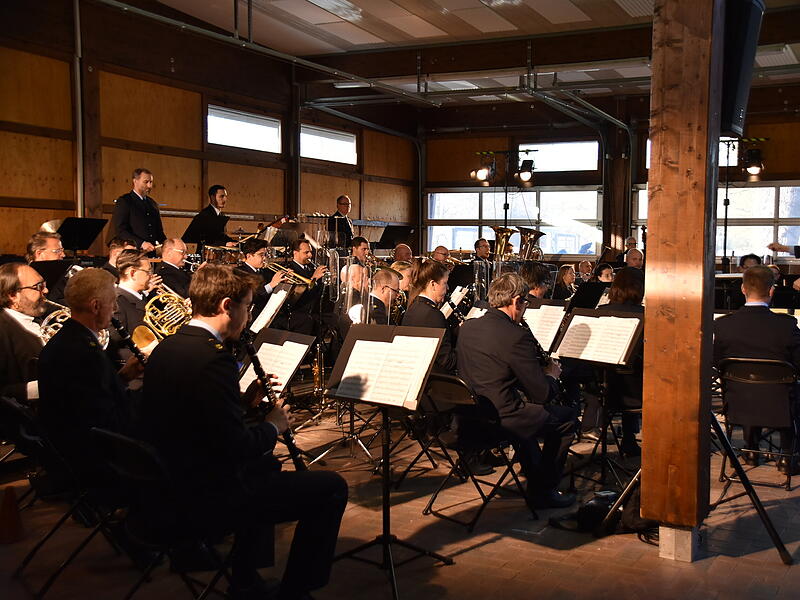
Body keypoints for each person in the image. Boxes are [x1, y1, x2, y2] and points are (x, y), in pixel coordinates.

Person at [141, 265, 348, 599]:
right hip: (208, 493)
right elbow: (236, 446)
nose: (249, 315)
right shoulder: (213, 359)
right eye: (247, 307)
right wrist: (273, 425)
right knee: (331, 488)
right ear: (226, 306)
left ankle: (246, 578)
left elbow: (196, 418)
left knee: (266, 467)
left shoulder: (169, 347)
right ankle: (295, 590)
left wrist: (244, 402)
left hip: (171, 479)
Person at [456, 273, 577, 508]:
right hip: (501, 420)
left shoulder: (468, 327)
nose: (524, 310)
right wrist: (552, 375)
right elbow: (541, 394)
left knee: (529, 414)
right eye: (525, 304)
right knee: (565, 420)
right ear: (516, 300)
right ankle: (544, 491)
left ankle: (535, 474)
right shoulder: (515, 335)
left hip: (469, 418)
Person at [37, 268, 143, 482]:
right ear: (95, 306)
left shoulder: (67, 339)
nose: (115, 309)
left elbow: (92, 396)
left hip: (70, 449)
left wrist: (123, 377)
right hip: (96, 461)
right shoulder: (85, 353)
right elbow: (107, 421)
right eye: (113, 302)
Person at [714, 265, 800, 473]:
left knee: (747, 385)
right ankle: (787, 456)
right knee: (790, 389)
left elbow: (716, 362)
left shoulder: (724, 325)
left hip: (737, 404)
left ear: (743, 289)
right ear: (772, 291)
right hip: (780, 405)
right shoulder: (787, 326)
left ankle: (751, 450)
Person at [592, 267, 646, 455]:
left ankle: (628, 439)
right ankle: (631, 439)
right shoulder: (645, 315)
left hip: (605, 388)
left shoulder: (601, 312)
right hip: (638, 391)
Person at [0, 263, 47, 403]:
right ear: (13, 295)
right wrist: (47, 386)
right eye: (38, 287)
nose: (46, 291)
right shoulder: (2, 330)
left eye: (44, 285)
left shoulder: (42, 318)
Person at [401, 258, 456, 373]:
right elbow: (447, 362)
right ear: (433, 284)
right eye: (445, 283)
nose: (447, 288)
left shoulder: (413, 307)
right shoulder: (433, 314)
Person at [273, 239, 326, 336]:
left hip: (314, 310)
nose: (310, 255)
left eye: (310, 252)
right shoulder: (289, 269)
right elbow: (295, 298)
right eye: (306, 252)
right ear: (295, 253)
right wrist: (314, 278)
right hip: (297, 312)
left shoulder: (311, 268)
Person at [111, 168, 166, 253]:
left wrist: (167, 245)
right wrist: (142, 243)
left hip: (151, 254)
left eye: (151, 182)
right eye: (146, 182)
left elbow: (159, 232)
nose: (149, 186)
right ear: (135, 181)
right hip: (132, 253)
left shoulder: (152, 203)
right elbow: (120, 230)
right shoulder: (124, 201)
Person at [236, 239, 286, 321]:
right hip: (251, 317)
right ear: (249, 256)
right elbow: (252, 297)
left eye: (265, 255)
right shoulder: (240, 272)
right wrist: (272, 284)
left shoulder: (265, 271)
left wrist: (283, 279)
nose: (264, 258)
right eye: (261, 255)